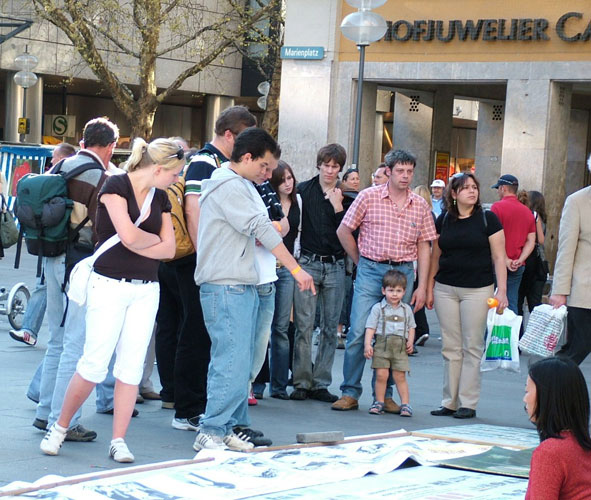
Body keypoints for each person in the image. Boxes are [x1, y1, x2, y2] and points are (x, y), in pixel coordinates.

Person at [40, 137, 183, 462]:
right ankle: (59, 428)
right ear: (158, 168)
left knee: (131, 369)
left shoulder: (160, 197)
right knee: (93, 363)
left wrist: (142, 242)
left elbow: (169, 249)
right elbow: (129, 236)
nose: (177, 180)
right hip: (108, 285)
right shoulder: (115, 185)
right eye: (175, 173)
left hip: (146, 288)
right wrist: (151, 240)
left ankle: (119, 440)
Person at [193, 128, 314, 451]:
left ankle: (228, 426)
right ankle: (212, 429)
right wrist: (296, 268)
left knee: (241, 361)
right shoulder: (229, 185)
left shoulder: (241, 183)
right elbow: (262, 227)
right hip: (226, 285)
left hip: (240, 283)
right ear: (247, 158)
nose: (268, 174)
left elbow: (266, 226)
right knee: (231, 361)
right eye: (264, 166)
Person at [165, 107, 256, 429]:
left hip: (205, 260)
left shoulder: (217, 163)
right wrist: (206, 257)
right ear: (229, 135)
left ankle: (195, 404)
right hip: (200, 261)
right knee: (196, 333)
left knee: (202, 333)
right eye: (243, 139)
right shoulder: (206, 161)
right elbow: (194, 211)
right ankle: (187, 408)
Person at [35, 119, 121, 442]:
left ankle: (45, 411)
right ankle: (64, 420)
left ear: (83, 140)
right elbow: (102, 228)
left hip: (51, 255)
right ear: (111, 146)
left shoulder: (60, 166)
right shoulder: (100, 177)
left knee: (56, 340)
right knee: (75, 343)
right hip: (79, 263)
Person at [333, 149, 437, 412]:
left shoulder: (420, 204)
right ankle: (350, 392)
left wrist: (423, 286)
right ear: (388, 171)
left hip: (403, 272)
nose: (405, 176)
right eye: (400, 171)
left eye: (410, 171)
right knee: (358, 330)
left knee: (395, 335)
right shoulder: (368, 196)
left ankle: (385, 395)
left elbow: (425, 246)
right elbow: (344, 230)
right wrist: (360, 262)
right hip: (371, 268)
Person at [426, 172, 508, 419]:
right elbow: (436, 255)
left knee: (472, 345)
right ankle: (449, 401)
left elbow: (499, 257)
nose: (472, 191)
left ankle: (468, 402)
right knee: (450, 346)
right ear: (454, 193)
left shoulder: (487, 218)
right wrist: (429, 287)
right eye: (465, 188)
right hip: (445, 288)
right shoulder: (444, 219)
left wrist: (502, 291)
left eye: (474, 187)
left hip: (478, 289)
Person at [291, 144, 347, 403]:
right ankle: (302, 381)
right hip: (308, 262)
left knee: (329, 327)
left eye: (335, 166)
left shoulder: (347, 195)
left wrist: (338, 208)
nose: (330, 170)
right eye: (326, 165)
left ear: (340, 169)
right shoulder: (303, 190)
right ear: (319, 165)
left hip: (335, 264)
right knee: (304, 325)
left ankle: (321, 382)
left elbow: (350, 232)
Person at [9, 143, 77, 347]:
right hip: (61, 242)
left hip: (55, 243)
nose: (52, 160)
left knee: (52, 288)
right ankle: (32, 331)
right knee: (48, 287)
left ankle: (36, 332)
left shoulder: (56, 181)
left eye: (55, 157)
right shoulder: (65, 181)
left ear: (63, 158)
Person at [524, 357, 591, 499]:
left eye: (527, 391)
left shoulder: (550, 453)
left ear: (546, 397)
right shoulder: (581, 444)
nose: (525, 399)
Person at [549, 157, 591, 364]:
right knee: (577, 348)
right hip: (585, 292)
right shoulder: (577, 201)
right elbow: (566, 249)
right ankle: (547, 380)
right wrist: (559, 290)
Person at [364, 270, 416, 417]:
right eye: (391, 290)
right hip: (382, 345)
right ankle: (379, 402)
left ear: (404, 292)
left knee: (400, 376)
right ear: (383, 290)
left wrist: (410, 341)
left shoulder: (406, 310)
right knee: (381, 375)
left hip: (400, 347)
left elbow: (411, 327)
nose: (394, 294)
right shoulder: (378, 308)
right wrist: (367, 344)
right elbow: (371, 327)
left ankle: (405, 404)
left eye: (398, 291)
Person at [269, 161, 300, 400]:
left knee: (281, 328)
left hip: (289, 267)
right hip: (267, 265)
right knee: (261, 329)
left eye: (289, 178)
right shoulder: (267, 201)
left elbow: (300, 235)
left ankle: (278, 386)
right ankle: (257, 384)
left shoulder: (298, 201)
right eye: (282, 180)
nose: (287, 184)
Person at [491, 174, 536, 314]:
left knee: (494, 302)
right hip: (518, 264)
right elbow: (531, 240)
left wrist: (505, 259)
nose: (498, 192)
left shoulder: (497, 208)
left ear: (503, 188)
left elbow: (493, 238)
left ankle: (493, 328)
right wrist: (520, 260)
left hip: (497, 263)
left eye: (498, 189)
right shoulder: (527, 211)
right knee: (512, 301)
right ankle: (510, 328)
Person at [411, 185, 435, 350]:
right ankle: (421, 329)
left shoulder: (421, 213)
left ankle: (418, 330)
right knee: (417, 292)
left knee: (413, 295)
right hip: (424, 259)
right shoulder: (431, 214)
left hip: (416, 259)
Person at [517, 190, 547, 324]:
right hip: (538, 263)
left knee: (518, 299)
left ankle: (518, 332)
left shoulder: (529, 215)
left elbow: (538, 239)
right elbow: (541, 240)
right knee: (535, 302)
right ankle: (535, 333)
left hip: (525, 259)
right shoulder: (540, 218)